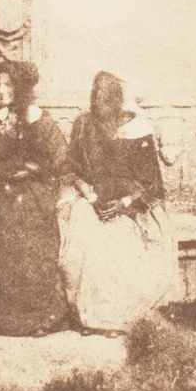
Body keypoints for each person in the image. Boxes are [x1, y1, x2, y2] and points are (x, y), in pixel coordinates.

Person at [59, 71, 179, 336]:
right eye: (96, 95)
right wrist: (89, 197)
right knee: (86, 238)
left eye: (106, 97)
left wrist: (124, 204)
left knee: (119, 244)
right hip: (91, 201)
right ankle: (90, 318)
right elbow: (72, 170)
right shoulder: (84, 125)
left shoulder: (138, 130)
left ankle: (115, 318)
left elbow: (152, 186)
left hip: (132, 207)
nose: (99, 102)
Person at [0, 60, 70, 336]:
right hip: (3, 197)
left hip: (36, 198)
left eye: (8, 84)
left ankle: (42, 319)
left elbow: (62, 162)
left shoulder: (41, 121)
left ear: (22, 87)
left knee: (35, 249)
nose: (1, 90)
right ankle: (10, 320)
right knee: (5, 238)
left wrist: (33, 171)